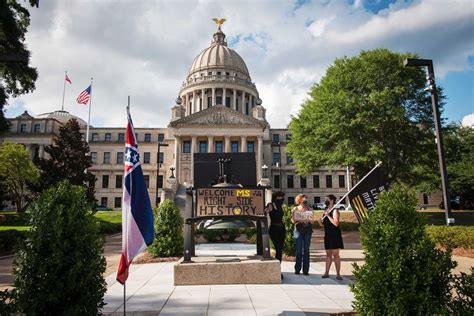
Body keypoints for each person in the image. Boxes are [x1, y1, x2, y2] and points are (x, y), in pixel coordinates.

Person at [319, 194, 344, 280]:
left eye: (327, 200)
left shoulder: (335, 211)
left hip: (335, 235)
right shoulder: (325, 210)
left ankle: (338, 274)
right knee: (328, 254)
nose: (325, 201)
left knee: (336, 255)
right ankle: (326, 273)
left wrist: (328, 215)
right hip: (327, 235)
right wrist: (320, 221)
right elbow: (323, 225)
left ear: (332, 200)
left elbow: (336, 223)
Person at [265, 191, 286, 279]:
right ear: (276, 197)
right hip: (274, 229)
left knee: (280, 249)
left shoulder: (281, 205)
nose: (282, 199)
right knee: (277, 247)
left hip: (281, 229)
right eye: (280, 197)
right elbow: (264, 213)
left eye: (282, 197)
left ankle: (278, 268)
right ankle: (277, 268)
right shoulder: (271, 205)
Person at [292, 194, 313, 275]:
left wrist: (307, 218)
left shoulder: (309, 208)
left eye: (306, 198)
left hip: (307, 230)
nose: (305, 200)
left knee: (306, 250)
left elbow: (312, 221)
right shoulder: (296, 208)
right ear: (299, 200)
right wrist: (299, 218)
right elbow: (293, 220)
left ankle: (306, 270)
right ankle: (297, 269)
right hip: (298, 230)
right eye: (303, 198)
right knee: (298, 250)